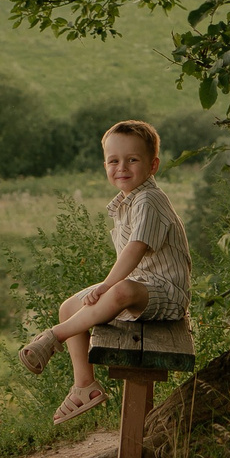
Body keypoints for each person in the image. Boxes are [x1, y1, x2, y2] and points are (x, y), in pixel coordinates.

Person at [18, 118, 192, 424]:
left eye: (132, 160)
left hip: (167, 292)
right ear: (105, 165)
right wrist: (107, 287)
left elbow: (135, 248)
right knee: (70, 306)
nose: (121, 167)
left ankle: (54, 337)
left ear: (153, 165)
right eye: (113, 161)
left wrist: (107, 285)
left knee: (120, 290)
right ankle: (84, 386)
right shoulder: (128, 201)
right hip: (141, 286)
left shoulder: (150, 199)